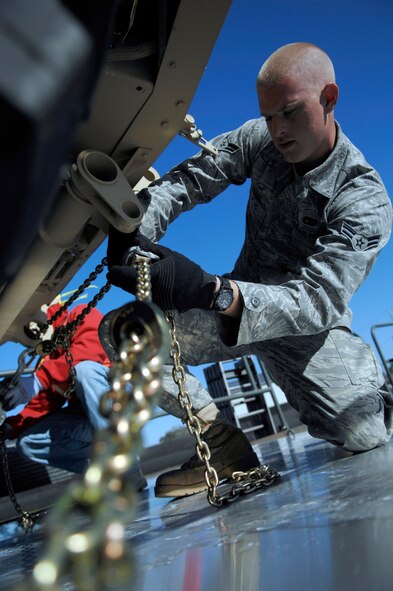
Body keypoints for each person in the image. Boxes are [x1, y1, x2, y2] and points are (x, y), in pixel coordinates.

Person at [106, 42, 393, 499]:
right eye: (268, 116)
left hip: (306, 333)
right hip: (231, 314)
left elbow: (316, 301)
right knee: (124, 334)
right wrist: (135, 228)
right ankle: (221, 446)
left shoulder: (362, 199)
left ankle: (376, 391)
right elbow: (191, 179)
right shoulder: (261, 139)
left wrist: (211, 291)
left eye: (289, 112)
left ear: (329, 98)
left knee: (362, 432)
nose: (277, 130)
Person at [0, 299, 147, 490]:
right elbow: (43, 404)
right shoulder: (47, 361)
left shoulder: (82, 314)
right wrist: (11, 426)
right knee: (28, 443)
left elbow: (90, 352)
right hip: (93, 420)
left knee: (84, 371)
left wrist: (39, 381)